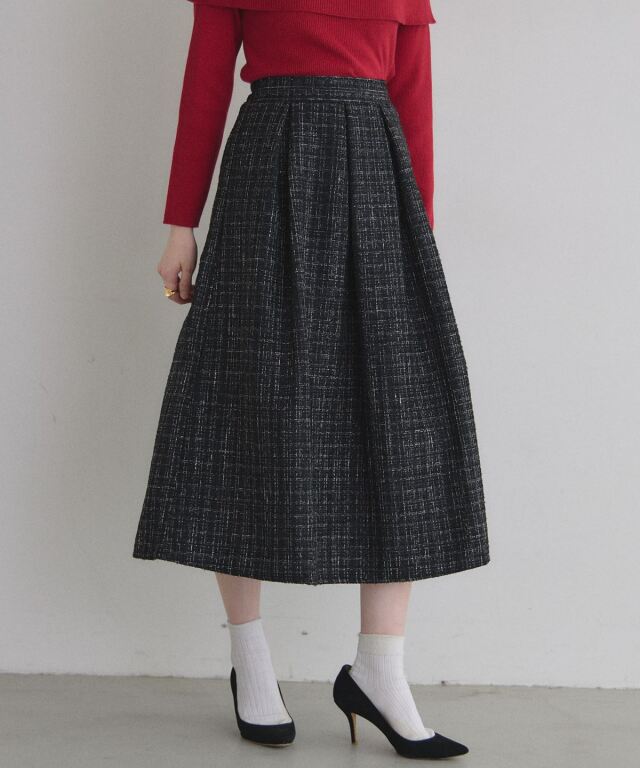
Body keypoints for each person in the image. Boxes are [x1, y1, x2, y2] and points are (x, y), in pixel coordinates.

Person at [132, 0, 490, 759]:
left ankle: (380, 668)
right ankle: (250, 658)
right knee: (246, 403)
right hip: (267, 171)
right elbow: (205, 84)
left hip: (378, 182)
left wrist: (418, 230)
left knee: (396, 417)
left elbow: (413, 94)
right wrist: (179, 224)